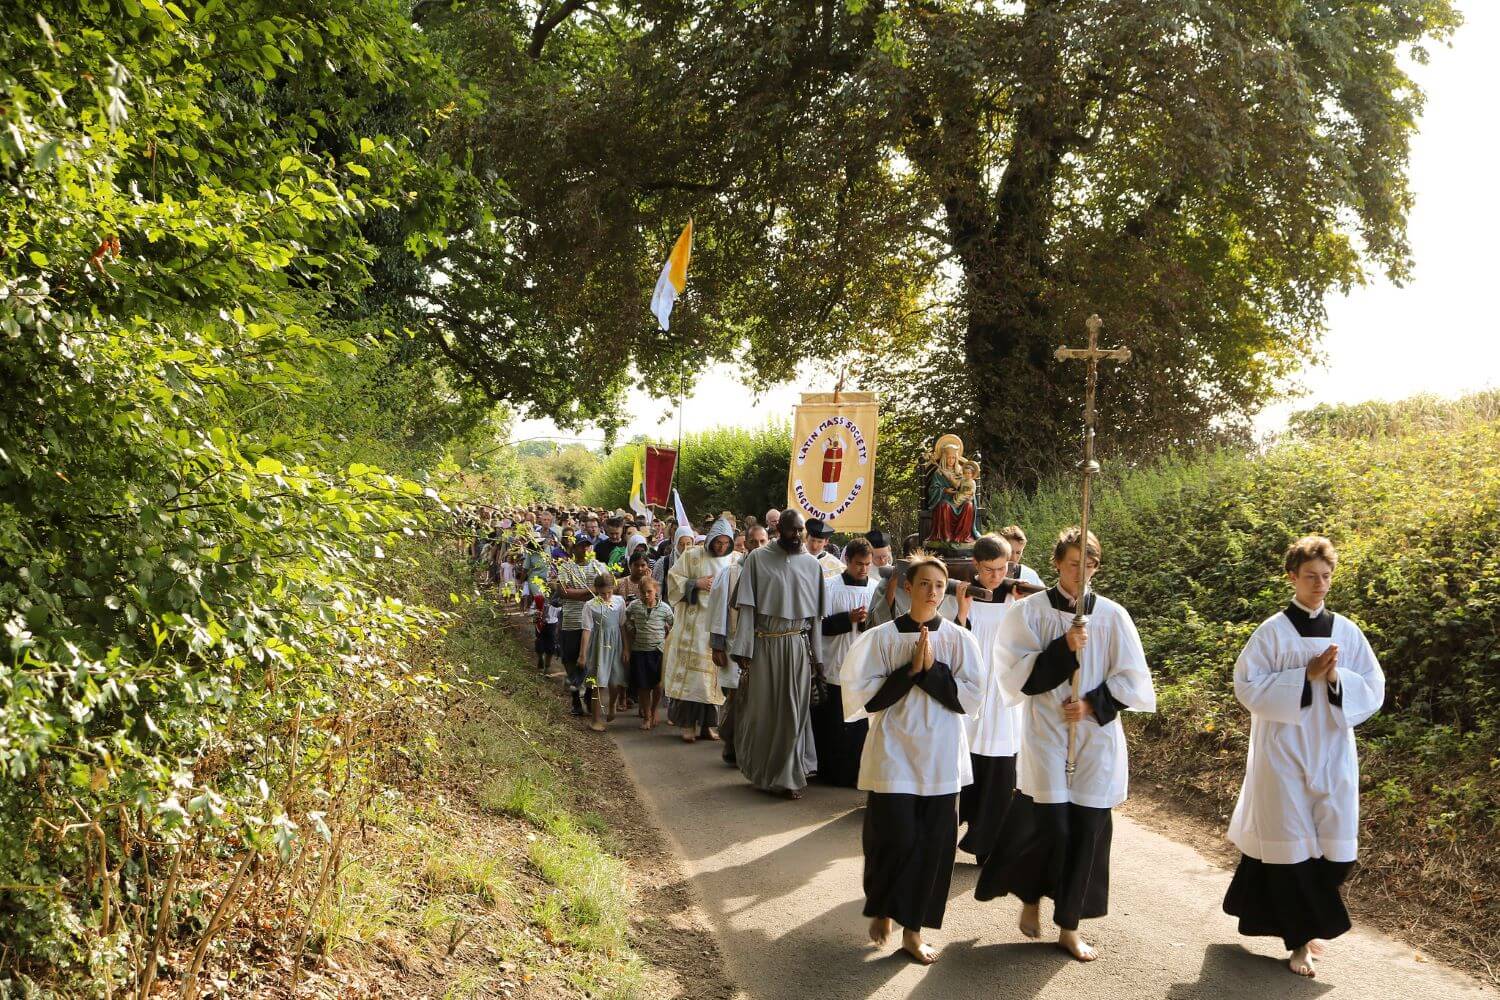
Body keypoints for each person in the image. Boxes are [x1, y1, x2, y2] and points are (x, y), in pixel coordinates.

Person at [974, 528, 1155, 962]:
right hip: (1047, 733)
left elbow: (1135, 681)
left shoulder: (1113, 616)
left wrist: (1094, 705)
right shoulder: (1029, 613)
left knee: (1088, 831)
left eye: (1089, 566)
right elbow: (1014, 677)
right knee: (1050, 825)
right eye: (1073, 564)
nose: (1081, 574)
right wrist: (1063, 647)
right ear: (1057, 563)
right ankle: (1032, 895)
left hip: (1095, 739)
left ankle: (1069, 926)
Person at [1222, 535, 1384, 979]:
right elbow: (1247, 687)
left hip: (1332, 751)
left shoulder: (1347, 631)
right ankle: (1300, 943)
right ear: (1292, 576)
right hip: (1284, 753)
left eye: (1327, 576)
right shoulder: (1272, 632)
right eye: (1311, 576)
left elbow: (1372, 686)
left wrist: (1334, 681)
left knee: (1337, 851)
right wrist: (1303, 676)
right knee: (1291, 850)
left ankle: (1299, 921)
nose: (1320, 584)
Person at [839, 554, 986, 965]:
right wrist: (909, 672)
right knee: (892, 838)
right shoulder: (882, 638)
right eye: (925, 584)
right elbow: (861, 697)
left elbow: (972, 699)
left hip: (940, 756)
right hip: (894, 752)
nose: (933, 592)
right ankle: (883, 905)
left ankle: (913, 931)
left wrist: (930, 672)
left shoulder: (959, 640)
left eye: (940, 585)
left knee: (934, 846)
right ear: (908, 586)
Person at [730, 510, 825, 799]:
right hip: (765, 646)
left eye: (800, 531)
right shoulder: (757, 559)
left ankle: (789, 777)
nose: (796, 536)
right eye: (791, 530)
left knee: (794, 712)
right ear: (778, 529)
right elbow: (747, 609)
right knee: (765, 712)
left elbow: (816, 620)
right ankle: (764, 772)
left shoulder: (812, 566)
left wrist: (818, 660)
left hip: (796, 647)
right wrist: (743, 650)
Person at [951, 533, 1022, 862]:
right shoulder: (963, 595)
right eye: (990, 569)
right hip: (975, 692)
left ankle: (988, 845)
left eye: (1003, 567)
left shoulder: (1016, 596)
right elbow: (955, 647)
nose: (997, 576)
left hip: (1003, 697)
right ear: (976, 566)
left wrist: (1021, 610)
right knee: (965, 762)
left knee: (1000, 770)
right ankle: (949, 831)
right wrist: (963, 614)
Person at [663, 518, 738, 742]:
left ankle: (707, 726)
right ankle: (687, 725)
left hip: (719, 625)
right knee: (693, 680)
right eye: (717, 542)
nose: (721, 547)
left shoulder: (735, 560)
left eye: (725, 543)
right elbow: (673, 579)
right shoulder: (692, 555)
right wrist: (695, 584)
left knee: (713, 680)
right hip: (693, 626)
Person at [812, 537, 878, 786]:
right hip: (834, 664)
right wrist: (847, 618)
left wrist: (863, 622)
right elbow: (818, 626)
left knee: (858, 726)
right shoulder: (829, 587)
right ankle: (828, 772)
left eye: (868, 564)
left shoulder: (875, 588)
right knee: (832, 724)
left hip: (863, 668)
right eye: (859, 564)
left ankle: (855, 774)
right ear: (847, 561)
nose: (863, 569)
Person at [709, 524, 768, 764]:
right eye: (754, 542)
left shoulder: (771, 571)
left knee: (758, 699)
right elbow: (717, 609)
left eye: (763, 542)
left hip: (763, 646)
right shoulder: (731, 573)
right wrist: (717, 644)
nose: (759, 547)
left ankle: (751, 747)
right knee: (735, 697)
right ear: (745, 545)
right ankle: (731, 743)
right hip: (734, 646)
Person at [557, 537, 610, 717]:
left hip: (594, 621)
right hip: (571, 620)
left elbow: (604, 589)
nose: (585, 549)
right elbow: (563, 591)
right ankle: (575, 698)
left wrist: (577, 593)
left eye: (588, 545)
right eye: (581, 546)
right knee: (570, 659)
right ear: (574, 548)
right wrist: (589, 592)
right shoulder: (566, 567)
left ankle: (588, 694)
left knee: (591, 660)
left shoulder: (598, 567)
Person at [625, 575, 675, 731]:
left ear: (656, 591)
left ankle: (654, 711)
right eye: (642, 592)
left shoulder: (665, 609)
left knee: (658, 686)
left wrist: (667, 637)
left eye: (649, 592)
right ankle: (646, 716)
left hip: (658, 652)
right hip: (640, 651)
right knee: (643, 687)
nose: (646, 595)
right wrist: (631, 629)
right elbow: (626, 619)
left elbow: (674, 625)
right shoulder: (634, 606)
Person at [580, 573, 628, 732]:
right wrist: (583, 654)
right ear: (597, 591)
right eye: (602, 593)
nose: (606, 596)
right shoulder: (590, 605)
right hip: (599, 645)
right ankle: (595, 719)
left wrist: (626, 648)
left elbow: (622, 626)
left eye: (609, 592)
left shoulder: (619, 602)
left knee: (615, 680)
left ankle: (613, 704)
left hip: (616, 644)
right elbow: (587, 630)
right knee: (598, 683)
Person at [998, 525, 1046, 594]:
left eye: (1018, 553)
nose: (1013, 558)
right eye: (1010, 551)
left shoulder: (1029, 575)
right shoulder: (986, 573)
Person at [533, 587, 561, 674]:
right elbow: (532, 609)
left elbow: (560, 614)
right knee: (539, 644)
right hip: (540, 624)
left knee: (550, 647)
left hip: (552, 625)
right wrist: (536, 614)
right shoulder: (540, 597)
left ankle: (547, 667)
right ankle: (540, 658)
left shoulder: (559, 601)